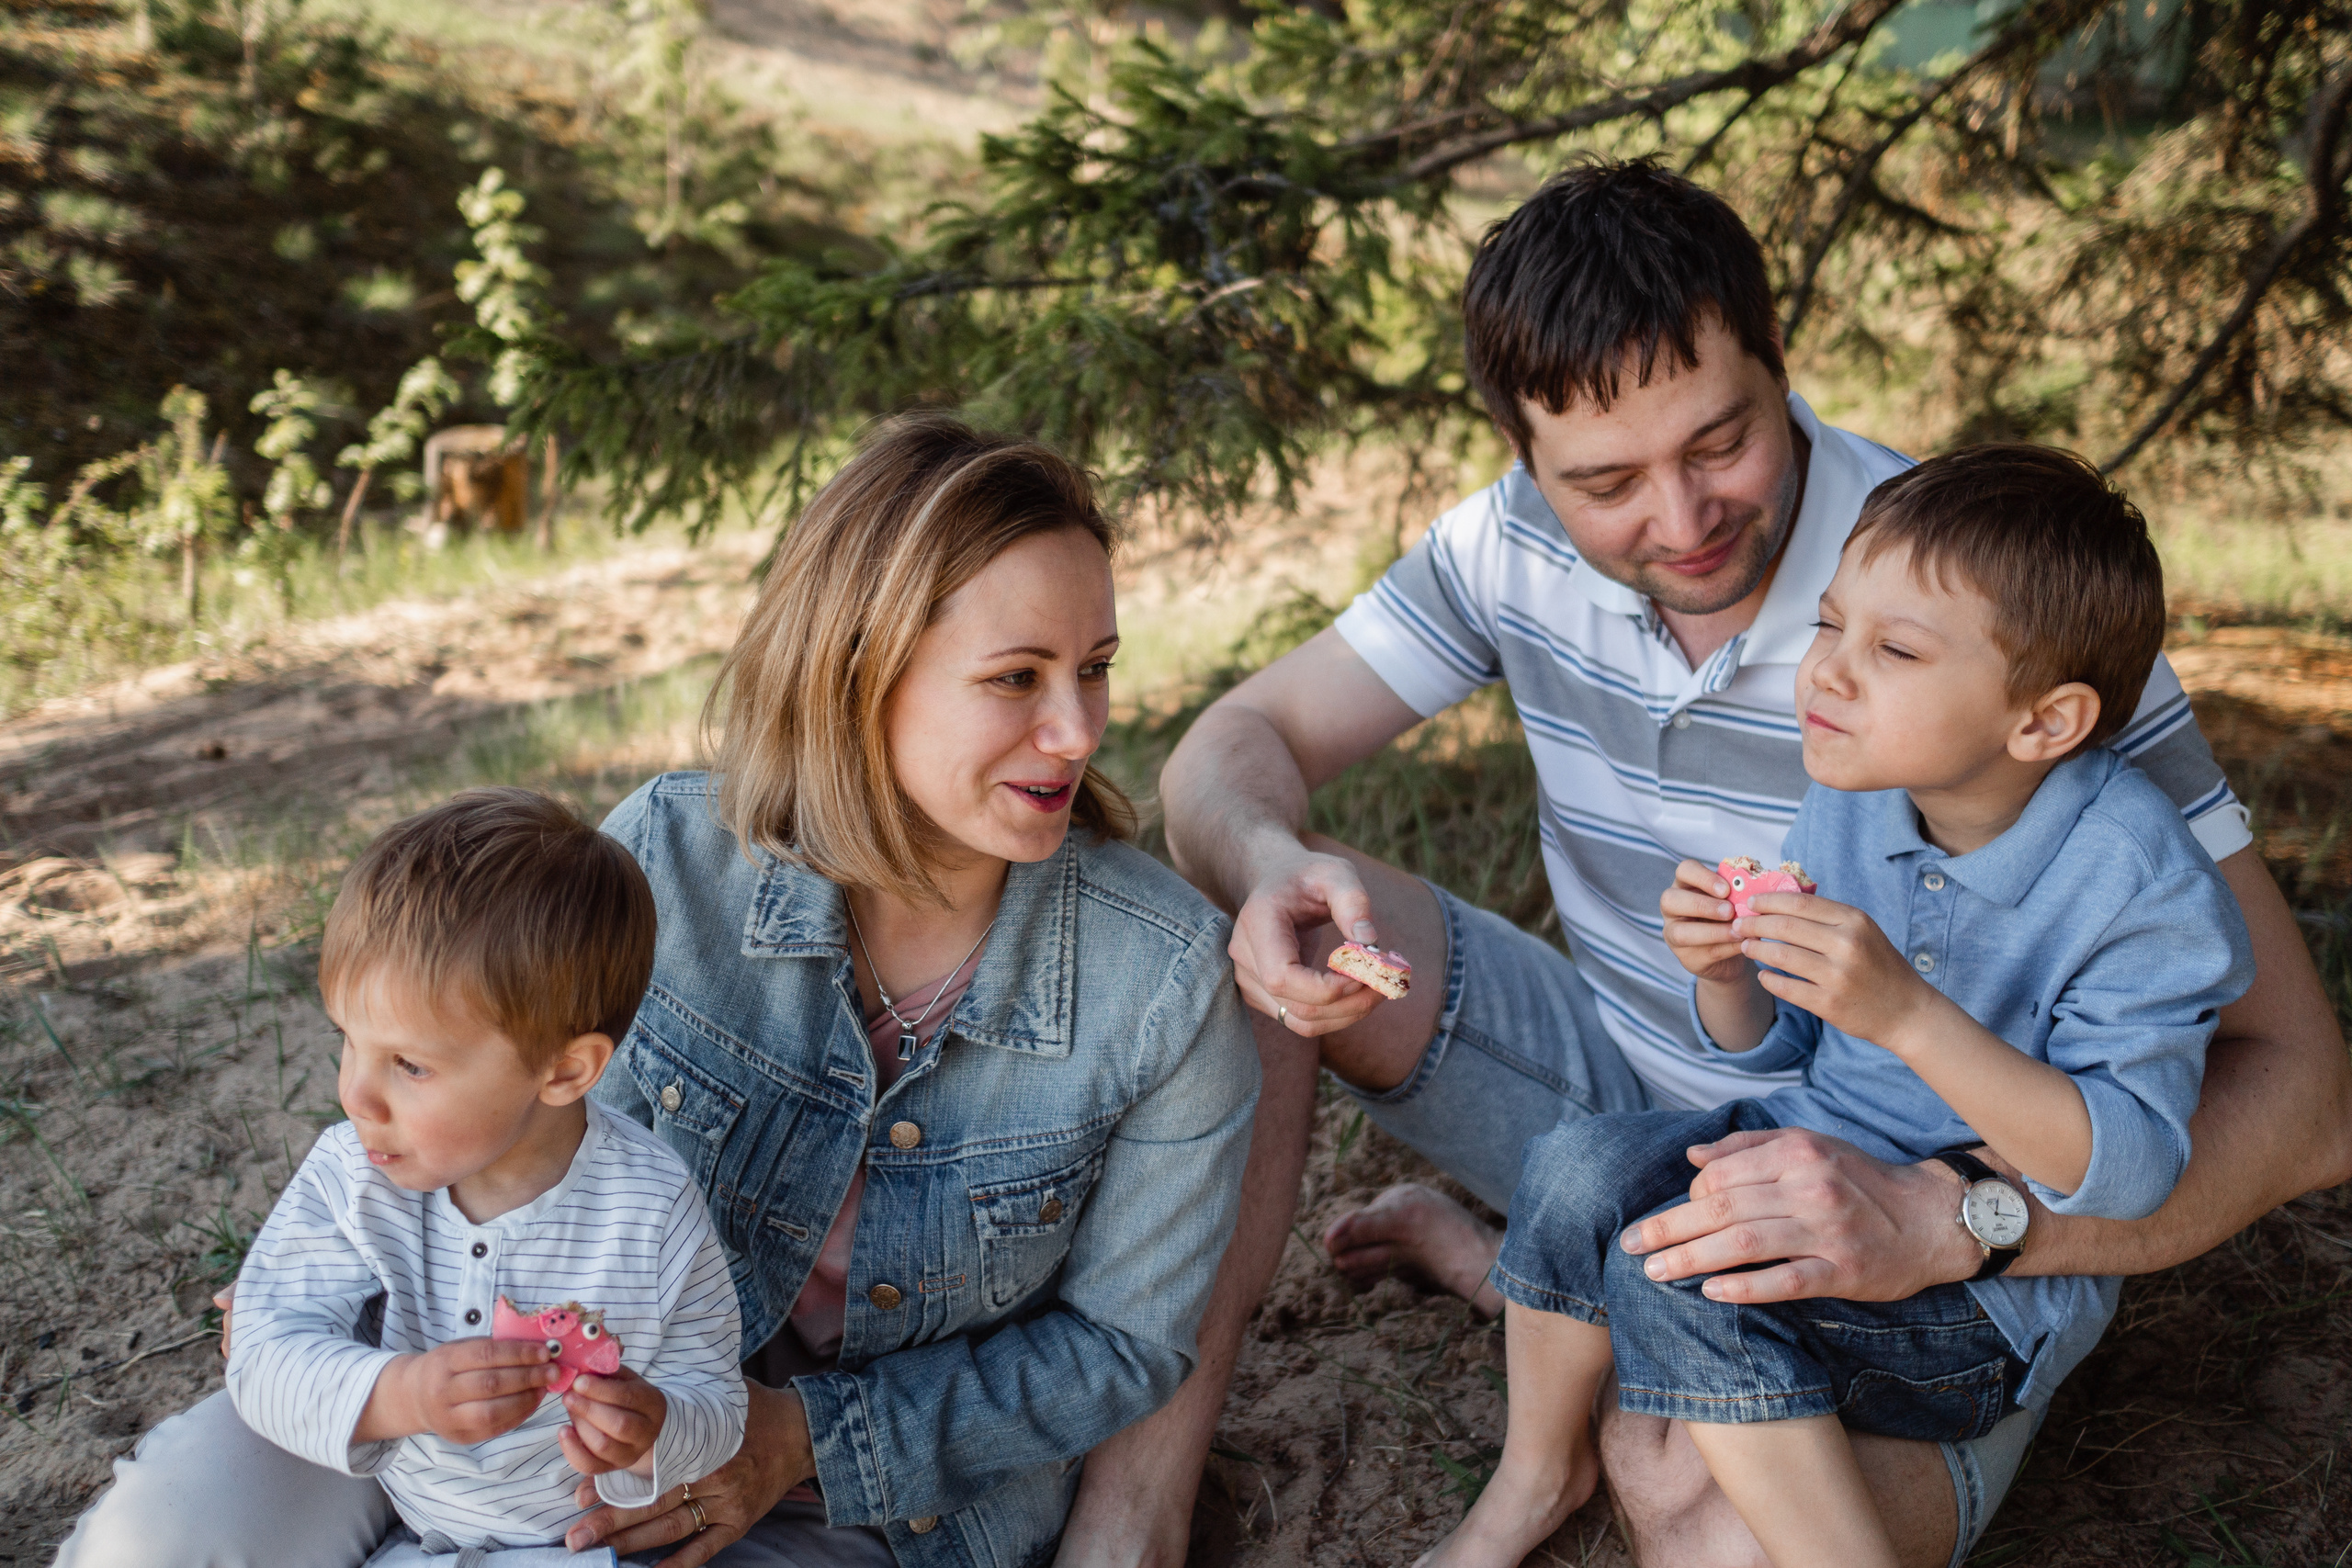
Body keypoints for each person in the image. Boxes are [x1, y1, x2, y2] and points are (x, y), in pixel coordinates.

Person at [1066, 158, 2352, 1568]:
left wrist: (1956, 1218)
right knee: (1278, 920)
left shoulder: (1990, 602)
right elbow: (1228, 748)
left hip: (1941, 1176)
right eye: (1606, 482)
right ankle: (1141, 1509)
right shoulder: (1504, 544)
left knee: (1701, 1512)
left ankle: (1555, 1290)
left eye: (1722, 441)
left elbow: (2308, 1098)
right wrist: (1264, 860)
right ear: (1524, 459)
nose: (1682, 523)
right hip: (1632, 1085)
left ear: (1779, 357)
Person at [55, 415, 1260, 1568]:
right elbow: (514, 1125)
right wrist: (334, 1285)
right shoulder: (670, 860)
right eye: (1016, 677)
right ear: (858, 670)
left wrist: (801, 1437)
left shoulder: (1161, 982)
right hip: (469, 1389)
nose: (1077, 729)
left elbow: (1120, 1345)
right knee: (156, 1542)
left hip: (857, 1502)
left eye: (1094, 669)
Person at [1423, 446, 2251, 1568]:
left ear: (2044, 722)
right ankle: (1534, 1478)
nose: (1827, 672)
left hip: (1979, 1303)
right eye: (1827, 625)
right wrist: (1726, 974)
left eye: (1893, 650)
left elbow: (2131, 1167)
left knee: (1687, 1282)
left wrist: (1909, 1017)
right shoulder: (1855, 800)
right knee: (1576, 1171)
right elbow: (1786, 1047)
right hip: (1813, 1151)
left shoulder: (2139, 883)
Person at [226, 788, 748, 1564]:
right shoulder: (351, 1175)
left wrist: (656, 1429)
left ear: (565, 1070)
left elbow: (718, 1401)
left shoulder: (652, 1206)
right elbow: (263, 1353)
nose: (355, 1094)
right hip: (402, 1529)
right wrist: (402, 1393)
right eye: (349, 1040)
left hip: (576, 1547)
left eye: (409, 1064)